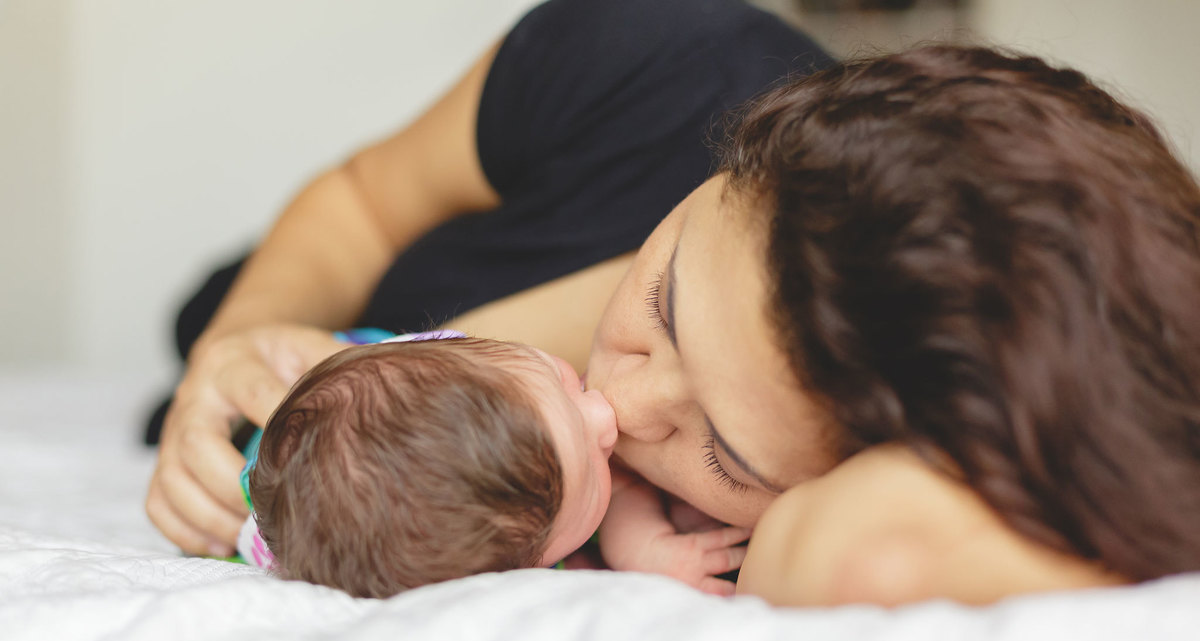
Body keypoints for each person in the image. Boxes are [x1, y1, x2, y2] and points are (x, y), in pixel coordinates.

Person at [146, 0, 1200, 607]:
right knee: (196, 311)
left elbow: (869, 550)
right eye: (660, 302)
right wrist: (232, 346)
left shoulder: (881, 432)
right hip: (337, 294)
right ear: (726, 164)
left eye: (728, 458)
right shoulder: (657, 53)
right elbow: (363, 205)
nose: (623, 405)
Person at [238, 330, 751, 598]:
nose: (604, 417)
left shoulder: (459, 377)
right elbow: (621, 493)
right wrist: (645, 549)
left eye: (563, 381)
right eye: (594, 475)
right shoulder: (483, 546)